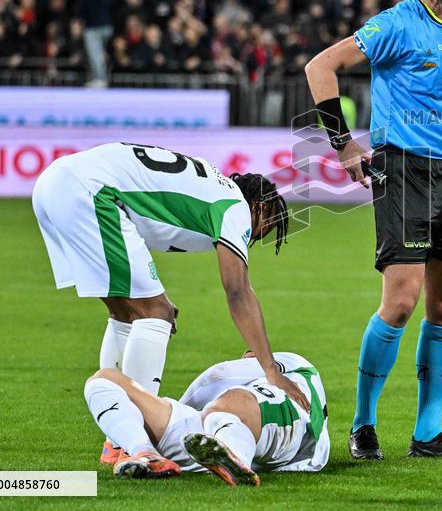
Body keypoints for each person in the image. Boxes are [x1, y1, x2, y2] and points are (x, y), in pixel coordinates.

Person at [305, 0, 442, 460]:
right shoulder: (395, 24)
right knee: (403, 300)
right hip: (404, 168)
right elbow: (320, 66)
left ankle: (428, 434)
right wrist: (342, 144)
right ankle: (363, 423)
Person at [32, 142, 308, 464]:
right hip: (92, 192)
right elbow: (237, 291)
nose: (258, 236)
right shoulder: (235, 205)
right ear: (259, 206)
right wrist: (270, 370)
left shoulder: (210, 188)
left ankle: (116, 441)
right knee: (156, 313)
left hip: (55, 184)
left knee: (126, 315)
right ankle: (134, 441)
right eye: (267, 226)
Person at [84, 351, 328, 483]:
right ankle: (146, 453)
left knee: (225, 407)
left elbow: (218, 376)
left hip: (292, 427)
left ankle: (235, 460)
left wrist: (174, 408)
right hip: (218, 435)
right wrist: (166, 423)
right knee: (103, 379)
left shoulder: (294, 365)